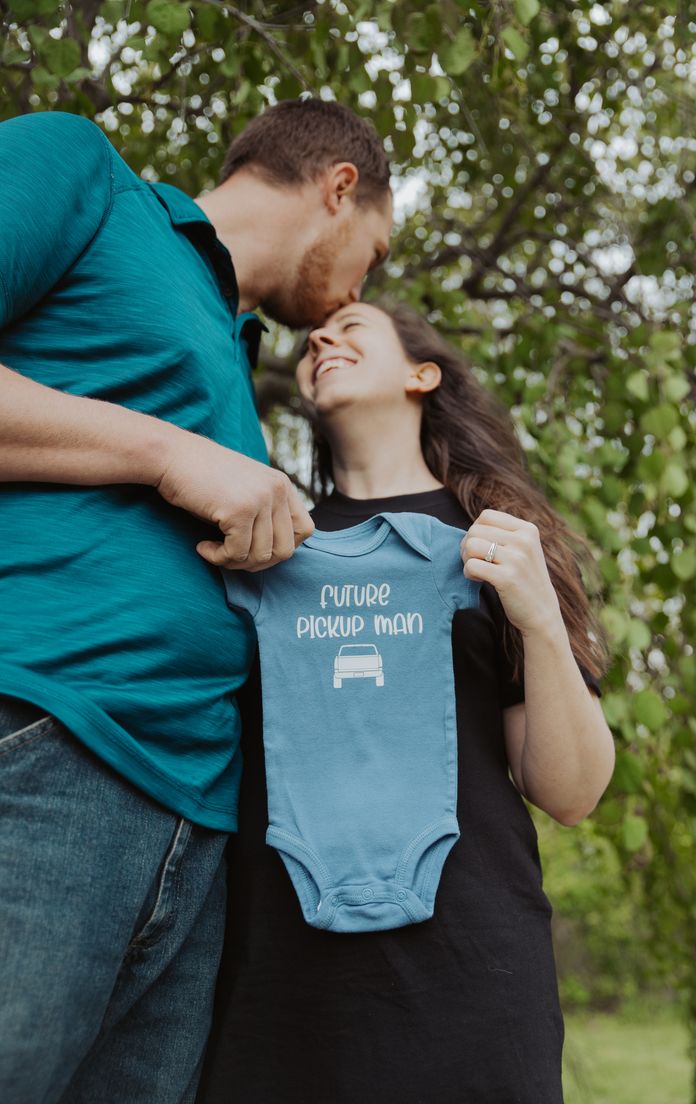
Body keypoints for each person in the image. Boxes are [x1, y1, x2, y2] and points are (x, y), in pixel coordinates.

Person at [0, 100, 391, 1104]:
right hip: (51, 739)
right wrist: (169, 453)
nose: (360, 291)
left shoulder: (231, 347)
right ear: (339, 190)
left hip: (197, 830)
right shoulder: (82, 172)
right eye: (371, 258)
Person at [198, 301, 616, 1104]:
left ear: (421, 375)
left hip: (470, 973)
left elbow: (573, 793)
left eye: (352, 328)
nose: (321, 338)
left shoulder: (498, 538)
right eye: (313, 335)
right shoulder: (266, 540)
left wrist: (541, 623)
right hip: (277, 978)